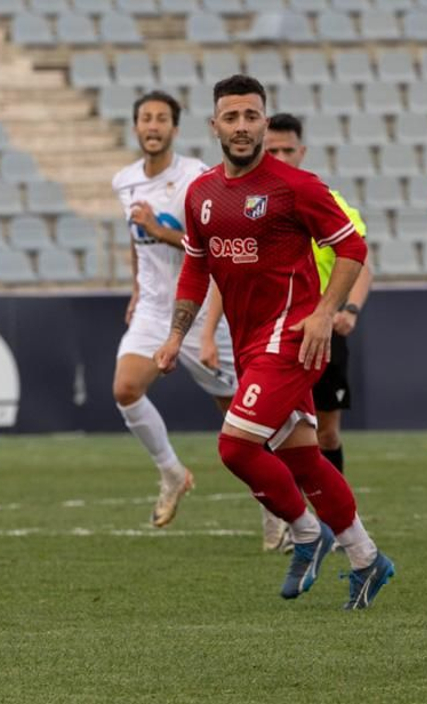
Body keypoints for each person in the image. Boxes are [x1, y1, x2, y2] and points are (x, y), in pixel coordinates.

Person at [154, 75, 395, 610]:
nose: (242, 127)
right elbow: (196, 268)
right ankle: (366, 557)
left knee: (235, 446)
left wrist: (325, 313)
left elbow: (353, 247)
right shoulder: (202, 195)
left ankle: (307, 533)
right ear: (214, 125)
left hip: (291, 340)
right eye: (231, 117)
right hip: (248, 343)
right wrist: (175, 337)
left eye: (251, 116)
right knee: (305, 461)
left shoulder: (296, 186)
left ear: (265, 120)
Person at [111, 91, 236, 527]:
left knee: (237, 413)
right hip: (152, 309)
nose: (152, 126)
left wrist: (154, 229)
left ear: (175, 130)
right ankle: (172, 472)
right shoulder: (124, 181)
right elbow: (135, 239)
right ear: (135, 127)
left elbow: (209, 246)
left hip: (199, 305)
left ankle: (273, 504)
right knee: (126, 389)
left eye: (161, 119)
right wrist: (135, 289)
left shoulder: (194, 179)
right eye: (145, 118)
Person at [259, 112, 374, 552]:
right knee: (267, 431)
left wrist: (347, 309)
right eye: (273, 150)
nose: (281, 156)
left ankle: (338, 522)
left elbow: (359, 258)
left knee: (325, 433)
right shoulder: (250, 204)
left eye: (288, 149)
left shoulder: (324, 199)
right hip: (272, 335)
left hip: (323, 332)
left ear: (302, 152)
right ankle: (283, 520)